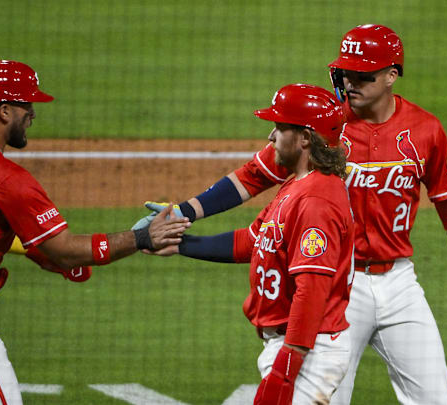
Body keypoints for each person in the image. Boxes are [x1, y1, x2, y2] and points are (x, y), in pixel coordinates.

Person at [137, 25, 447, 404]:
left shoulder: (425, 130)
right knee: (324, 397)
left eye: (363, 75)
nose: (351, 82)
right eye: (346, 73)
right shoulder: (323, 125)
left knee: (436, 399)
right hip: (339, 283)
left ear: (392, 75)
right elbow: (254, 176)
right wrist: (185, 212)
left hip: (399, 282)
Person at [0, 59, 190, 405]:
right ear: (3, 112)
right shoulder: (5, 177)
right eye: (26, 105)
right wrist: (141, 238)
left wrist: (34, 250)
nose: (32, 112)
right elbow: (64, 250)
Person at [149, 84, 354, 404]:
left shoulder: (316, 200)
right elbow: (254, 240)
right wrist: (180, 243)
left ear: (305, 138)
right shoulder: (296, 186)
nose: (271, 136)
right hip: (294, 347)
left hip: (309, 351)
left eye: (280, 127)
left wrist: (287, 367)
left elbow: (311, 289)